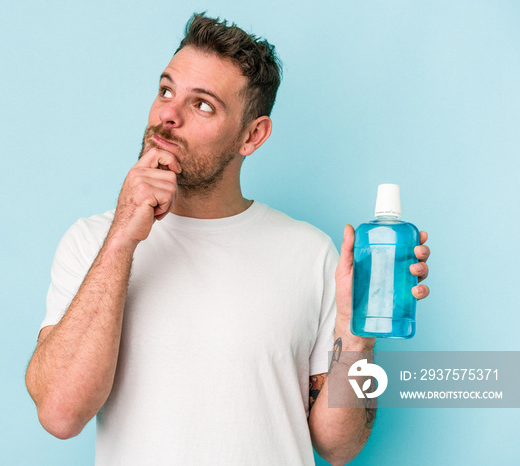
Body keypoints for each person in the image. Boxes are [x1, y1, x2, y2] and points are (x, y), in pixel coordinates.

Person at [25, 12, 430, 466]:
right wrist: (123, 237)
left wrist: (357, 341)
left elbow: (339, 447)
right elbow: (60, 414)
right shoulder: (93, 242)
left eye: (202, 105)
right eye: (165, 90)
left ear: (252, 135)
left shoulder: (310, 254)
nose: (167, 116)